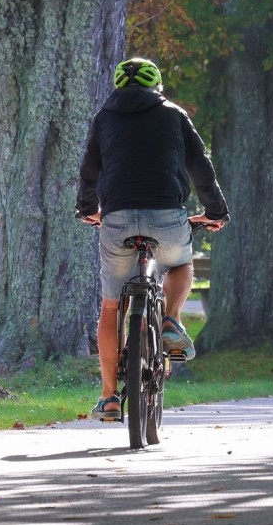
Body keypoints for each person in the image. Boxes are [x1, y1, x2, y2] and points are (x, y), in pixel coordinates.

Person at [75, 57, 229, 422]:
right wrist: (216, 211)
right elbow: (200, 166)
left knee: (112, 306)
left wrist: (87, 209)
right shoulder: (174, 114)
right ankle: (172, 320)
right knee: (179, 263)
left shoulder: (104, 118)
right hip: (166, 214)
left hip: (117, 217)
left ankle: (109, 396)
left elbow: (89, 169)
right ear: (156, 85)